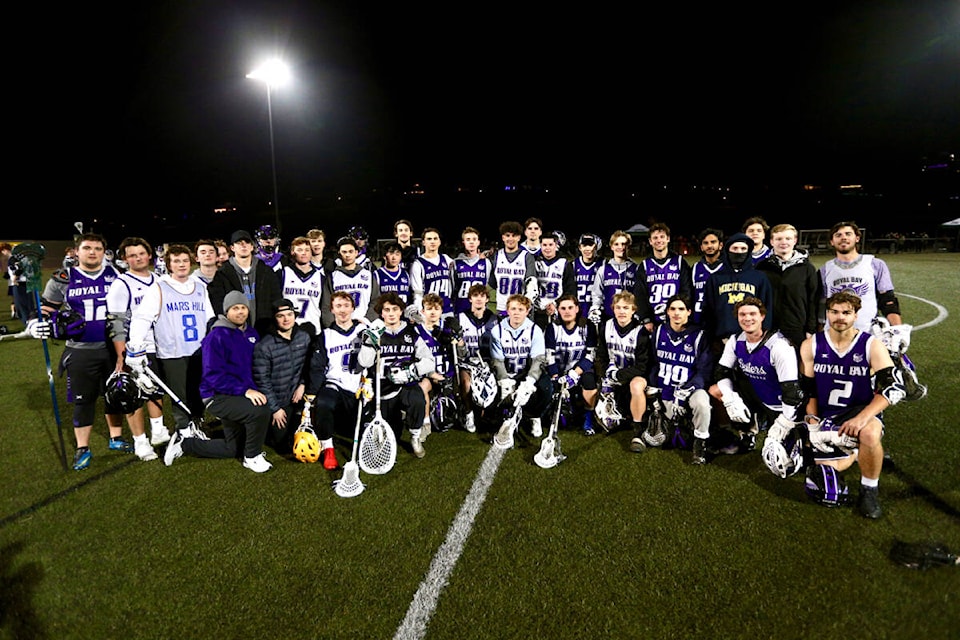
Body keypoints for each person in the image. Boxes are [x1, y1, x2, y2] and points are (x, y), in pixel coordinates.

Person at [800, 290, 903, 519]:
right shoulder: (811, 345)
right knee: (823, 469)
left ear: (856, 315)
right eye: (834, 312)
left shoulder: (871, 345)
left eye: (846, 312)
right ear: (827, 313)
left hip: (860, 411)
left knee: (869, 434)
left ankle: (869, 489)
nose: (840, 317)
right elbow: (809, 391)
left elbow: (892, 389)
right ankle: (858, 453)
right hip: (828, 416)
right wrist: (814, 425)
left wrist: (862, 418)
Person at [37, 233, 133, 470]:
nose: (92, 252)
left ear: (104, 252)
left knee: (116, 393)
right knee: (84, 399)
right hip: (80, 349)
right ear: (76, 252)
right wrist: (37, 322)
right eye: (87, 248)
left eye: (98, 248)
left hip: (112, 346)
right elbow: (47, 307)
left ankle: (116, 438)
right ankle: (83, 447)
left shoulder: (116, 275)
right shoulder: (64, 277)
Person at [163, 291, 273, 472]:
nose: (240, 312)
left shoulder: (251, 333)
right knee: (259, 410)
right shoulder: (216, 336)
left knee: (233, 448)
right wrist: (245, 391)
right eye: (235, 308)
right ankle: (252, 456)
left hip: (239, 394)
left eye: (243, 308)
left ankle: (185, 444)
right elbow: (213, 376)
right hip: (218, 396)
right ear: (226, 311)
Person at [128, 244, 214, 445]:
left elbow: (209, 318)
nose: (181, 265)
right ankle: (184, 429)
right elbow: (142, 318)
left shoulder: (200, 286)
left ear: (191, 262)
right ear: (168, 264)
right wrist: (136, 345)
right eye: (176, 261)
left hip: (199, 350)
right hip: (173, 352)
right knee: (179, 393)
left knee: (198, 390)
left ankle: (196, 423)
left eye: (185, 260)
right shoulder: (159, 287)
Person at [709, 297, 803, 456]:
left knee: (787, 455)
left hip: (781, 404)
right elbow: (721, 372)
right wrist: (730, 399)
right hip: (757, 394)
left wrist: (784, 422)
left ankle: (793, 435)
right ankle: (746, 434)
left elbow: (792, 391)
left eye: (752, 314)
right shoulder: (735, 340)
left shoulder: (778, 345)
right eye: (742, 314)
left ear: (762, 316)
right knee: (717, 390)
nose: (747, 318)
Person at [106, 237, 167, 460]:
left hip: (159, 344)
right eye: (132, 255)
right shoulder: (121, 284)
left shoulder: (160, 279)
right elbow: (116, 322)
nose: (138, 258)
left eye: (141, 253)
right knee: (134, 394)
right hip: (136, 348)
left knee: (155, 389)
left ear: (149, 255)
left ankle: (158, 429)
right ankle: (140, 441)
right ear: (125, 259)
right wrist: (122, 354)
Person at [357, 292, 435, 458]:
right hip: (383, 389)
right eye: (387, 310)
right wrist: (368, 342)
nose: (391, 313)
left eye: (395, 309)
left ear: (401, 311)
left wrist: (411, 372)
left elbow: (430, 361)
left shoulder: (411, 332)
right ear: (381, 313)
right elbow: (364, 362)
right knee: (391, 433)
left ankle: (415, 436)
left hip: (406, 384)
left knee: (417, 399)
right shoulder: (375, 332)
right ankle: (398, 419)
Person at [307, 291, 372, 464]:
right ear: (332, 310)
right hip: (335, 385)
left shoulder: (364, 331)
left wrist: (369, 382)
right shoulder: (325, 335)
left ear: (353, 308)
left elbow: (375, 359)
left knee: (361, 428)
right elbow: (317, 366)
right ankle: (328, 448)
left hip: (360, 388)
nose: (342, 310)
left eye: (346, 306)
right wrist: (312, 393)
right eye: (338, 306)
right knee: (325, 401)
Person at [648, 294, 714, 464]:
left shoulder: (699, 335)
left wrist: (686, 391)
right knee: (665, 432)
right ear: (667, 312)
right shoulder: (659, 332)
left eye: (681, 309)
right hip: (666, 390)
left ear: (689, 312)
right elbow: (654, 364)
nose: (677, 313)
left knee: (702, 403)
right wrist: (653, 390)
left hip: (689, 389)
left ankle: (700, 445)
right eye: (673, 309)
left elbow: (704, 371)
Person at [819, 220, 906, 332]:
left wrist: (898, 330)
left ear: (857, 238)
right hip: (835, 334)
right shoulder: (825, 270)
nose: (843, 237)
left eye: (848, 234)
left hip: (868, 333)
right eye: (838, 235)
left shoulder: (875, 264)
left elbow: (888, 301)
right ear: (832, 241)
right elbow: (821, 305)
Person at [252, 299, 313, 457]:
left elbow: (309, 366)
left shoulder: (304, 338)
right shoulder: (264, 346)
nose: (286, 319)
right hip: (278, 401)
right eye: (281, 316)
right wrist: (275, 409)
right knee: (282, 444)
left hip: (296, 397)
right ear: (274, 318)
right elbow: (262, 380)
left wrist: (303, 384)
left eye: (289, 314)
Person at [490, 294, 553, 445]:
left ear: (527, 311)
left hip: (526, 373)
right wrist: (504, 380)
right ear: (507, 310)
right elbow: (497, 361)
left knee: (546, 387)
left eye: (520, 309)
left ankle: (534, 416)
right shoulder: (497, 331)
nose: (516, 312)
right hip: (506, 374)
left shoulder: (534, 330)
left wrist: (529, 382)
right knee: (494, 408)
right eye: (513, 309)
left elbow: (538, 360)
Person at [595, 291, 652, 453]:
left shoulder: (640, 332)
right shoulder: (606, 326)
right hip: (613, 373)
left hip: (634, 376)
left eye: (626, 308)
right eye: (618, 307)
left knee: (636, 385)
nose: (621, 311)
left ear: (633, 310)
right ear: (612, 309)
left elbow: (642, 367)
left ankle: (637, 430)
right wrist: (607, 371)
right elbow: (601, 356)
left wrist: (618, 375)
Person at [756, 223, 822, 353]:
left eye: (788, 238)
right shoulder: (762, 267)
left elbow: (813, 300)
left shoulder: (807, 268)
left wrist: (810, 329)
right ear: (771, 242)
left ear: (795, 240)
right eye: (779, 239)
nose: (783, 242)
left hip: (797, 328)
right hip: (769, 327)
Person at [701, 231, 774, 348]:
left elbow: (766, 309)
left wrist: (763, 337)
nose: (739, 252)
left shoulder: (759, 277)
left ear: (748, 251)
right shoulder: (715, 278)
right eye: (735, 248)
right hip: (721, 340)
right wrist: (713, 336)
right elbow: (708, 310)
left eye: (743, 249)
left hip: (753, 341)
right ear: (727, 251)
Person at [207, 229, 283, 336]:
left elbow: (276, 299)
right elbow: (219, 304)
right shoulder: (222, 274)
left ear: (252, 247)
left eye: (247, 242)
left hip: (264, 332)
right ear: (232, 248)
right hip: (234, 332)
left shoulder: (266, 272)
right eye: (239, 243)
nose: (243, 245)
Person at [545, 294, 599, 436]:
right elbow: (549, 356)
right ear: (558, 310)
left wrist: (575, 374)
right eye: (563, 308)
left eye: (570, 307)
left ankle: (588, 418)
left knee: (589, 381)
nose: (567, 311)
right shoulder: (553, 327)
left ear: (577, 309)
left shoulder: (588, 326)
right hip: (559, 371)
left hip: (580, 370)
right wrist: (556, 376)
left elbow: (590, 355)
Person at [633, 222, 693, 330]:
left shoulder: (679, 262)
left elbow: (686, 291)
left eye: (662, 237)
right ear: (650, 241)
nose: (659, 240)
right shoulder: (644, 266)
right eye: (655, 238)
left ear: (668, 239)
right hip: (653, 321)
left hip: (676, 318)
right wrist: (646, 319)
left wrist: (680, 312)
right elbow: (640, 296)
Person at [456, 284, 498, 431]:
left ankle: (491, 413)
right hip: (467, 362)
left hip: (486, 363)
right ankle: (468, 413)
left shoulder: (494, 319)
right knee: (466, 383)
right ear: (470, 299)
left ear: (487, 299)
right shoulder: (461, 318)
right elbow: (458, 350)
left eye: (482, 296)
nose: (479, 299)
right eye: (475, 296)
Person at [587, 230, 644, 328]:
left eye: (624, 244)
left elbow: (640, 295)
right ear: (612, 246)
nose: (620, 247)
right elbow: (597, 294)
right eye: (617, 244)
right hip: (608, 318)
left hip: (630, 320)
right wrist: (595, 309)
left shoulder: (636, 269)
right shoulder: (604, 269)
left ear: (628, 246)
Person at [321, 236, 379, 328]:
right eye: (344, 252)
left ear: (356, 253)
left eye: (350, 251)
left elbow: (376, 301)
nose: (347, 255)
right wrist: (333, 326)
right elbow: (327, 305)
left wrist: (367, 320)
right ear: (339, 253)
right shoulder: (332, 277)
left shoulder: (368, 275)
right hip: (340, 328)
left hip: (365, 326)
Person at [488, 220, 538, 316]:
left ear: (519, 237)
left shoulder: (527, 256)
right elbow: (492, 283)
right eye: (507, 235)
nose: (510, 239)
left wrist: (526, 303)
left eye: (514, 235)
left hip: (520, 308)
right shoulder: (497, 256)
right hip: (502, 308)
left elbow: (532, 283)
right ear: (503, 237)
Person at [279, 236, 325, 334]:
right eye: (300, 250)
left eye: (307, 250)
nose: (304, 253)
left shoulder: (321, 277)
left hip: (314, 331)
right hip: (288, 331)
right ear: (292, 252)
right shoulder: (283, 273)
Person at [533, 231, 577, 328]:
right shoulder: (535, 262)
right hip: (538, 310)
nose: (547, 248)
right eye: (544, 245)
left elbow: (570, 290)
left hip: (558, 310)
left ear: (556, 245)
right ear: (540, 245)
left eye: (550, 245)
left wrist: (556, 303)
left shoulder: (564, 263)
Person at [409, 227, 456, 317]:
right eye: (429, 239)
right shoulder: (418, 264)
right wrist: (420, 311)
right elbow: (417, 292)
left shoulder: (446, 259)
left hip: (446, 309)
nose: (432, 241)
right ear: (423, 242)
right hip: (430, 311)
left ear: (439, 242)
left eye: (435, 238)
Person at [452, 226, 492, 316]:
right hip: (461, 307)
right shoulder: (456, 263)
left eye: (474, 239)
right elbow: (452, 288)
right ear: (463, 242)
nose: (471, 242)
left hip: (480, 309)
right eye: (468, 239)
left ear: (478, 242)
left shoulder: (486, 262)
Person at [691, 228, 725, 327]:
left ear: (720, 245)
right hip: (699, 322)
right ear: (701, 247)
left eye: (713, 242)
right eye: (706, 243)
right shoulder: (695, 268)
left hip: (721, 323)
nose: (709, 246)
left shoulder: (728, 267)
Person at [573, 233, 603, 319]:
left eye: (590, 245)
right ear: (580, 247)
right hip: (578, 312)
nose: (587, 248)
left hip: (598, 312)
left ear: (596, 247)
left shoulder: (604, 264)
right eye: (584, 245)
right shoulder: (573, 265)